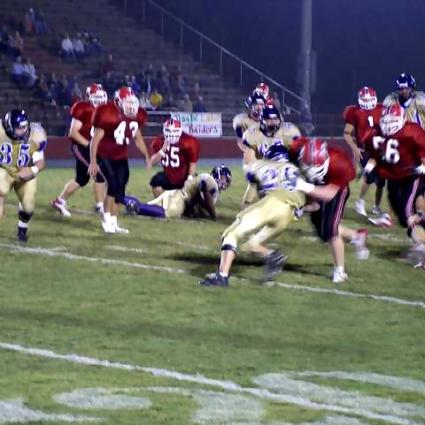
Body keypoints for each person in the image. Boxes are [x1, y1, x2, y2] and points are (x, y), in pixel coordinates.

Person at [199, 147, 304, 287]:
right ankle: (272, 255)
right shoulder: (297, 173)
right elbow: (307, 206)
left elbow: (251, 184)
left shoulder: (265, 165)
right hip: (288, 215)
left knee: (230, 234)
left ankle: (222, 277)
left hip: (272, 204)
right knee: (251, 245)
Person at [290, 138, 370, 283]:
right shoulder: (296, 151)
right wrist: (306, 206)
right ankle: (356, 236)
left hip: (336, 189)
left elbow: (329, 194)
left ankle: (340, 271)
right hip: (314, 185)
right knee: (322, 233)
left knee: (331, 230)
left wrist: (302, 186)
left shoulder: (341, 164)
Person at [363, 104, 425, 268]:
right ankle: (421, 224)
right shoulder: (378, 133)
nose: (389, 124)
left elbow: (423, 153)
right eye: (387, 120)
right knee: (403, 219)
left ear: (402, 119)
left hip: (410, 176)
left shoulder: (412, 131)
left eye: (392, 120)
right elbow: (376, 156)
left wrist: (422, 167)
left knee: (407, 214)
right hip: (392, 178)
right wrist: (368, 168)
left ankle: (421, 248)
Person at [88, 86, 151, 234]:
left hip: (121, 156)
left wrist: (146, 156)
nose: (131, 106)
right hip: (104, 154)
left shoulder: (137, 116)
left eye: (132, 102)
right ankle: (106, 219)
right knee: (113, 185)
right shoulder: (108, 113)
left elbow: (137, 138)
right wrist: (93, 161)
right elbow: (95, 140)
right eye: (127, 102)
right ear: (119, 102)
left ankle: (114, 222)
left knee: (120, 191)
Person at [52, 83, 108, 217]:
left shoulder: (104, 111)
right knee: (97, 174)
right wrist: (89, 145)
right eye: (96, 97)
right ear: (89, 97)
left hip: (92, 148)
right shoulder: (83, 108)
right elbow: (73, 132)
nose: (100, 100)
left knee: (82, 179)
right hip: (81, 147)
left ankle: (60, 201)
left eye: (101, 97)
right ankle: (99, 206)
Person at [241, 104, 301, 209]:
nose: (273, 122)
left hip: (284, 166)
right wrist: (259, 174)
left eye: (275, 119)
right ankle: (246, 211)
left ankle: (299, 206)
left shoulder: (288, 131)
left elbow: (298, 154)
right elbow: (250, 159)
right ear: (262, 120)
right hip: (262, 165)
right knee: (252, 187)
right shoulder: (253, 134)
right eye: (269, 120)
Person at [0, 110, 47, 242]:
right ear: (9, 127)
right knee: (0, 192)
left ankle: (22, 228)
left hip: (25, 172)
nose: (23, 131)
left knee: (28, 207)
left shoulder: (36, 134)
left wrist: (32, 170)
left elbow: (41, 162)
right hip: (4, 169)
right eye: (19, 128)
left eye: (24, 127)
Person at [124, 165, 231, 220]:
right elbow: (203, 187)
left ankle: (120, 197)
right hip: (179, 199)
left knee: (146, 206)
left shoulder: (211, 187)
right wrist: (213, 214)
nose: (224, 182)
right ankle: (135, 207)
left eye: (226, 180)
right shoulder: (210, 181)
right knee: (165, 214)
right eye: (223, 178)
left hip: (174, 195)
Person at [343, 86, 386, 217]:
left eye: (369, 100)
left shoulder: (382, 109)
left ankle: (376, 206)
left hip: (379, 149)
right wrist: (354, 148)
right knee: (370, 176)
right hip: (364, 149)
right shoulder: (354, 112)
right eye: (365, 100)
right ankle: (360, 202)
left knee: (381, 180)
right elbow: (346, 133)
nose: (367, 103)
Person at [149, 118, 200, 197]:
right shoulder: (159, 141)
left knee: (197, 187)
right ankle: (167, 201)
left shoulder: (188, 141)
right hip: (168, 177)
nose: (171, 134)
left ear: (180, 131)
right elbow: (152, 163)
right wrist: (162, 150)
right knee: (156, 182)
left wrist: (189, 179)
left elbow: (192, 163)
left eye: (175, 131)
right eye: (168, 131)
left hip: (184, 177)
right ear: (164, 130)